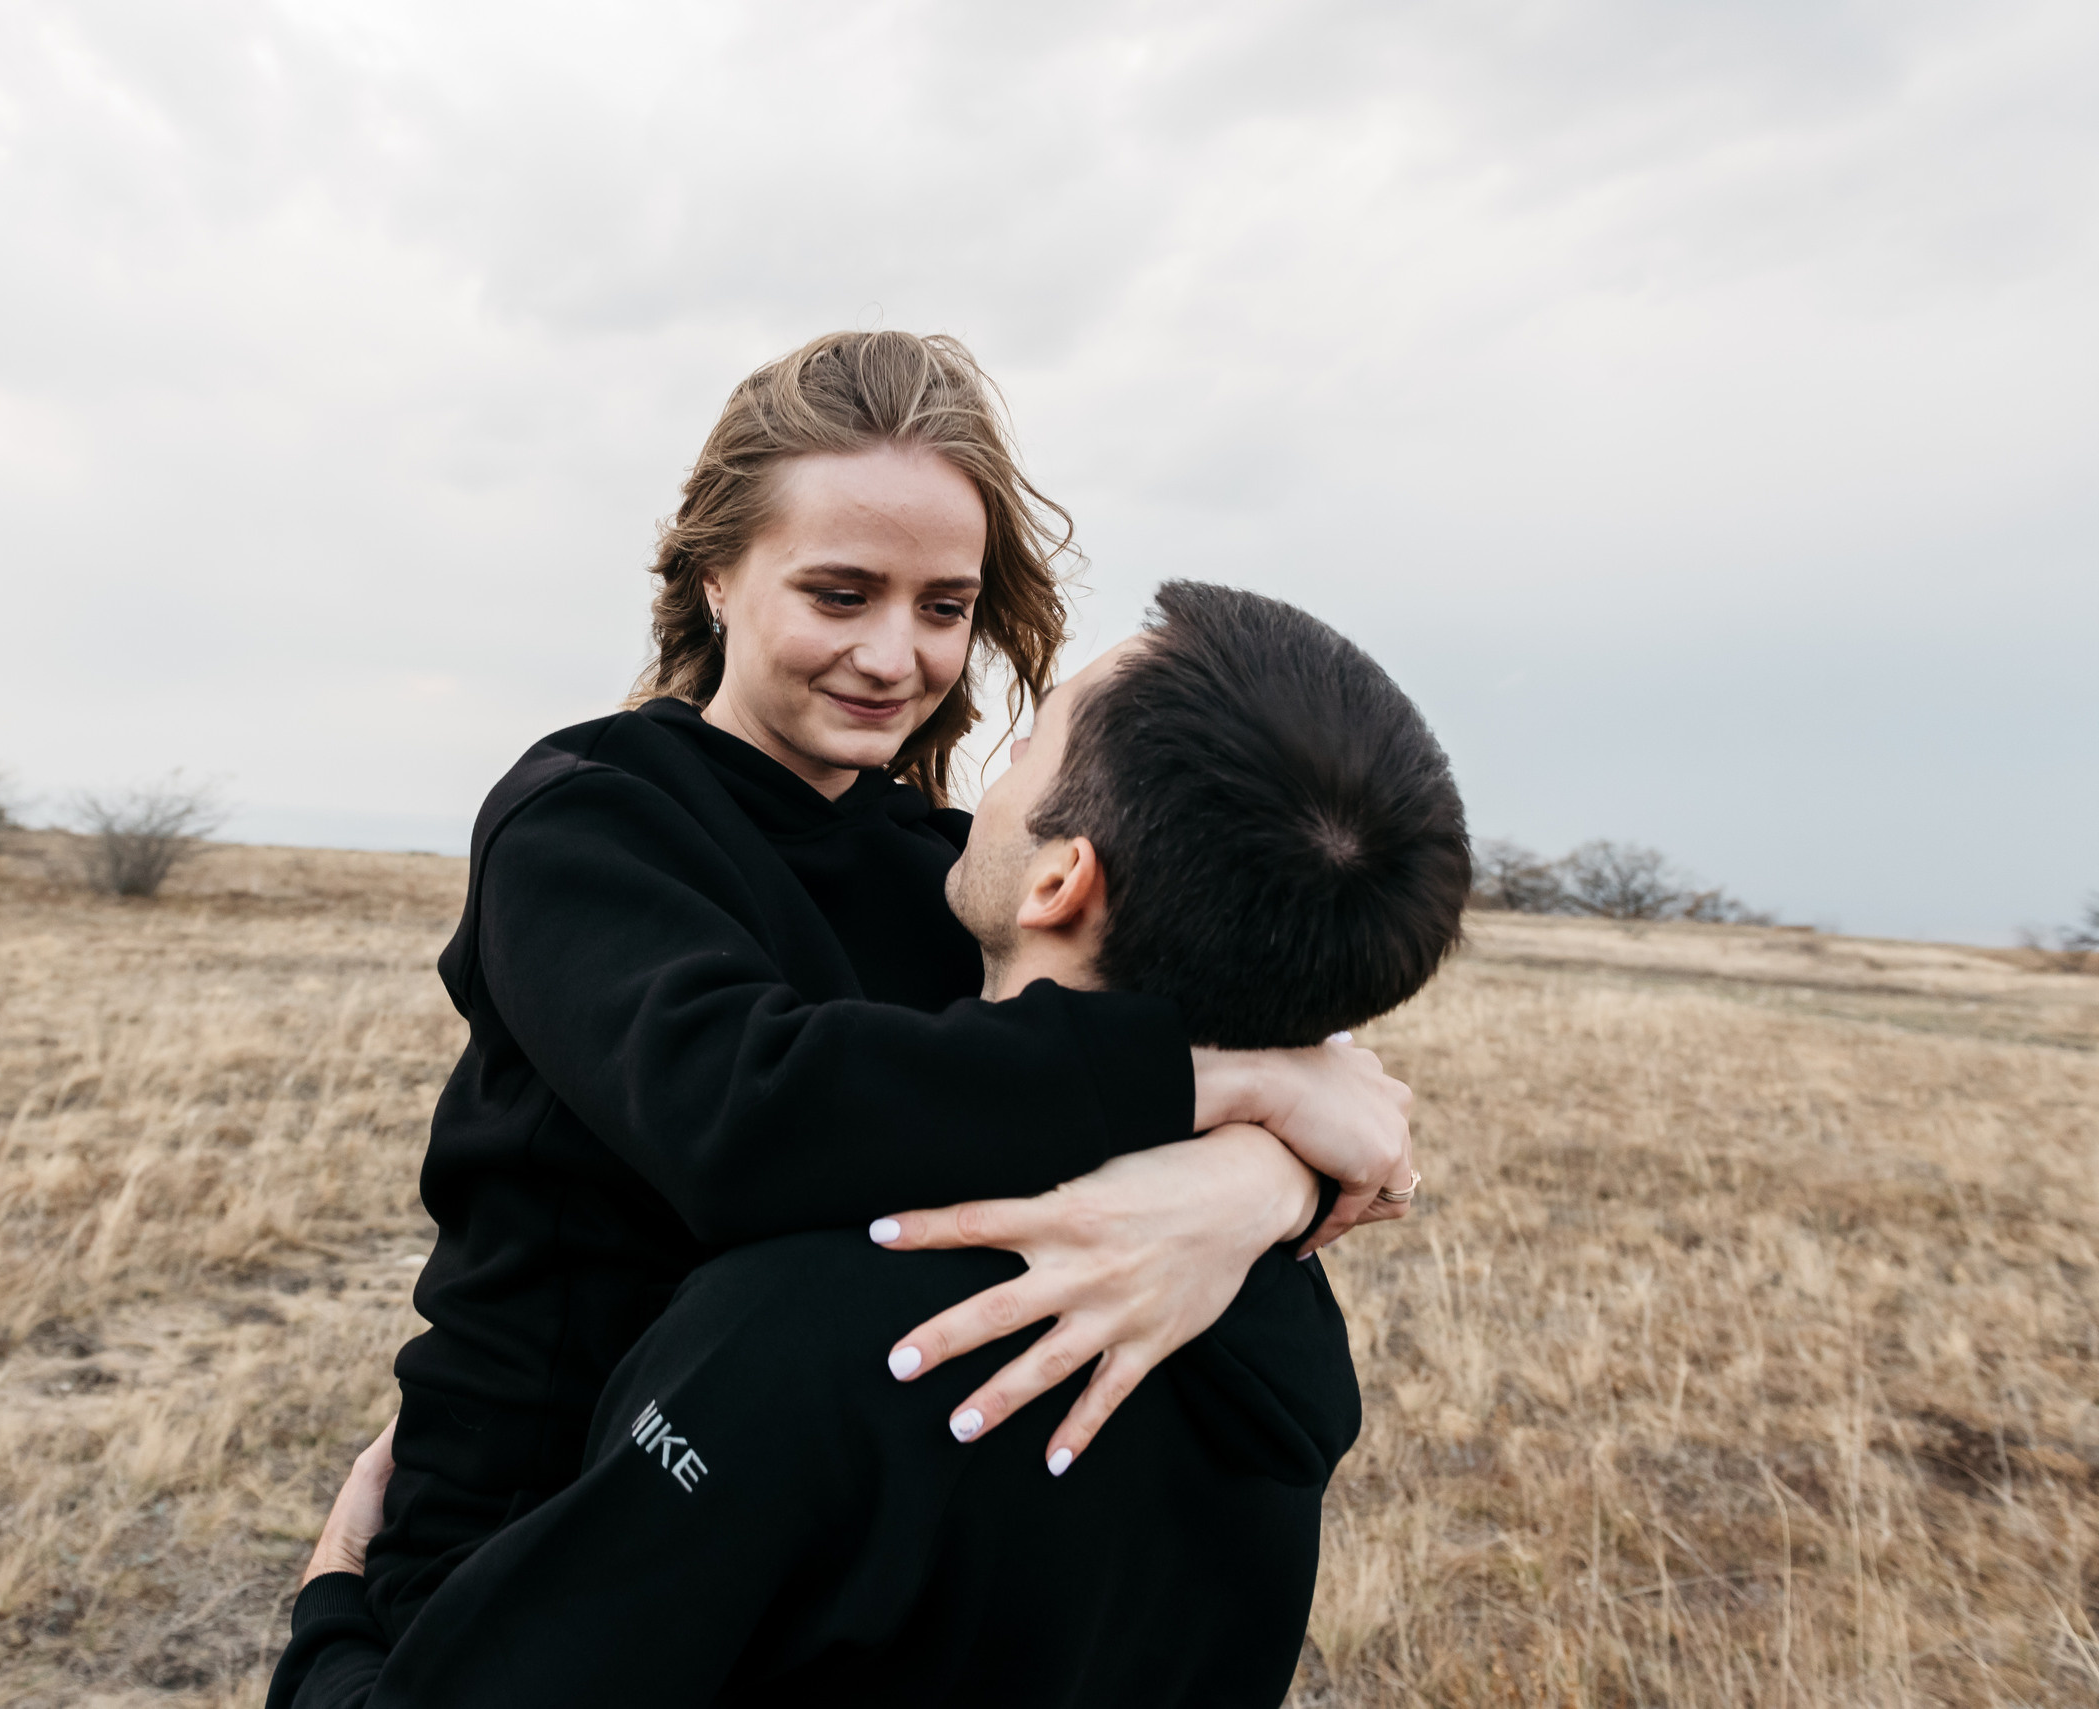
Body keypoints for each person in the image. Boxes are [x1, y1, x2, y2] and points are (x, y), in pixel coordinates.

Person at [267, 334, 1419, 1708]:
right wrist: (1225, 1089)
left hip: (820, 1521)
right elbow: (745, 1110)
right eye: (840, 591)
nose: (896, 654)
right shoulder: (588, 822)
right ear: (715, 573)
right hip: (542, 1520)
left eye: (945, 604)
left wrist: (1244, 1182)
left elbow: (1120, 1027)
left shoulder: (949, 871)